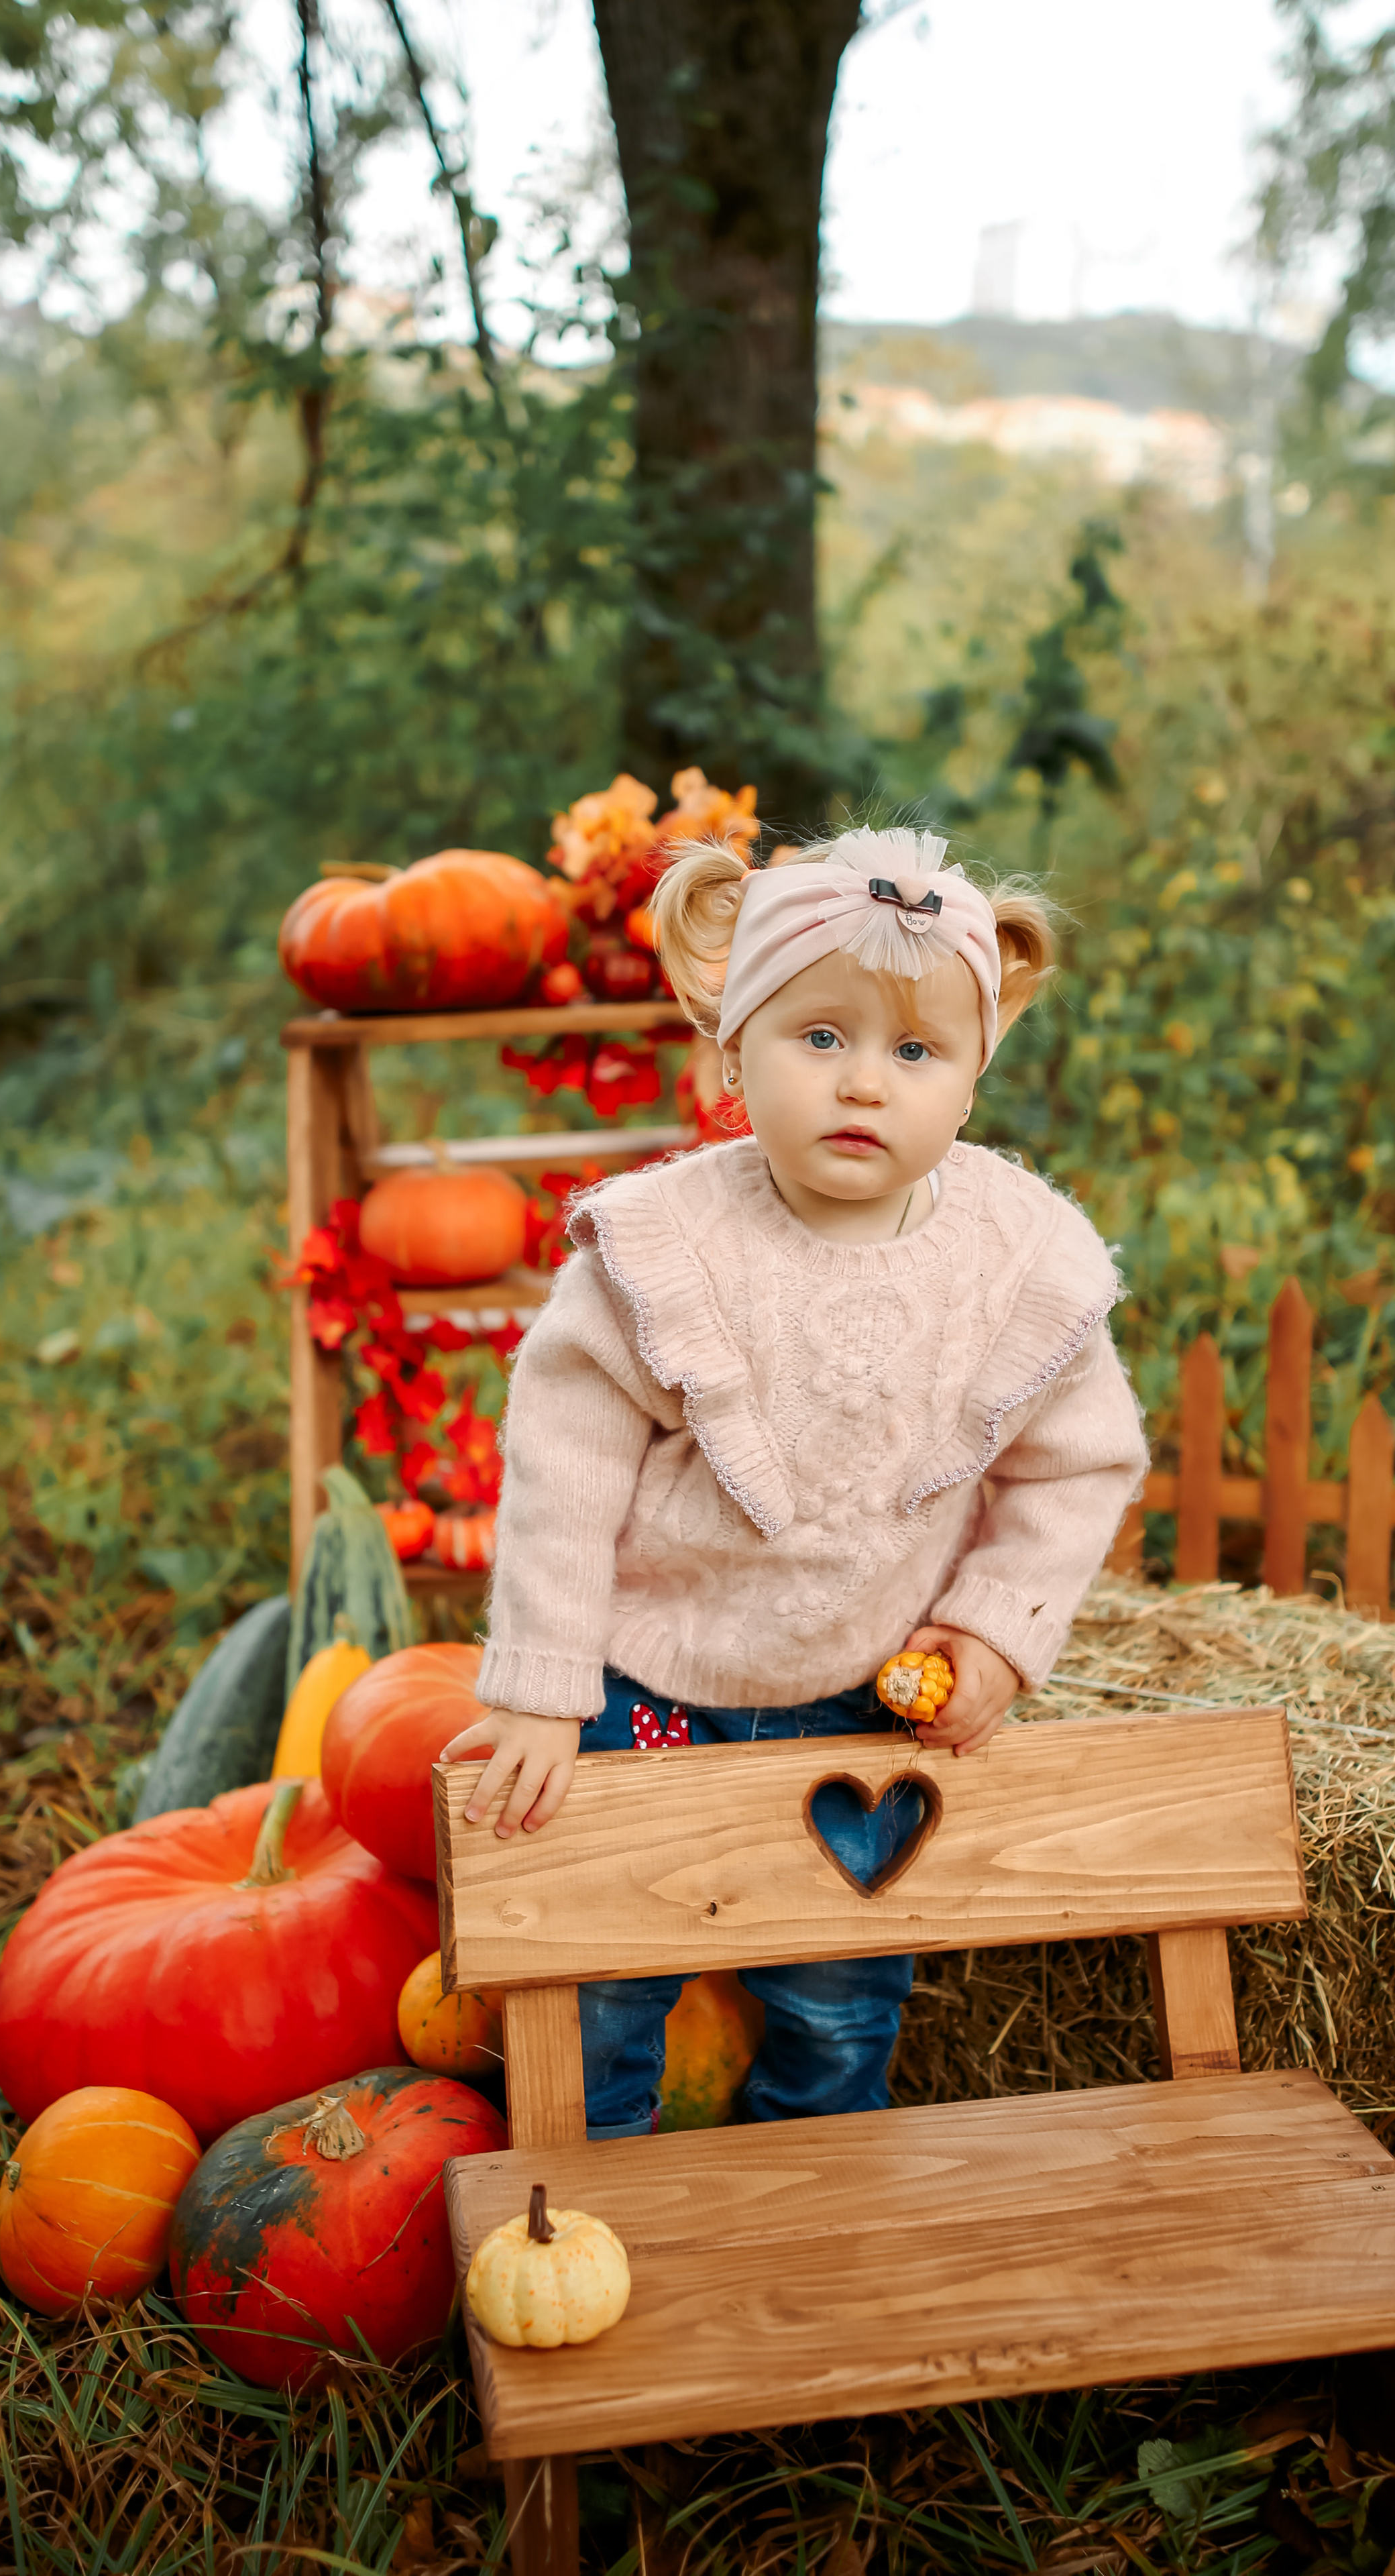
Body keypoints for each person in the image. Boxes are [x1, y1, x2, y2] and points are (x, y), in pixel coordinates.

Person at [441, 824, 1149, 2135]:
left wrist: (996, 1630)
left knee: (837, 2005)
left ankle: (809, 2214)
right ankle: (591, 2201)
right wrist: (544, 1687)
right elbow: (562, 1468)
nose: (862, 1086)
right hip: (645, 1690)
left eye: (912, 1052)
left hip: (863, 1706)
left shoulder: (1016, 1258)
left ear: (973, 1076)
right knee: (600, 1977)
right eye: (817, 1039)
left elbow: (1077, 1465)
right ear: (730, 1052)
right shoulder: (664, 1249)